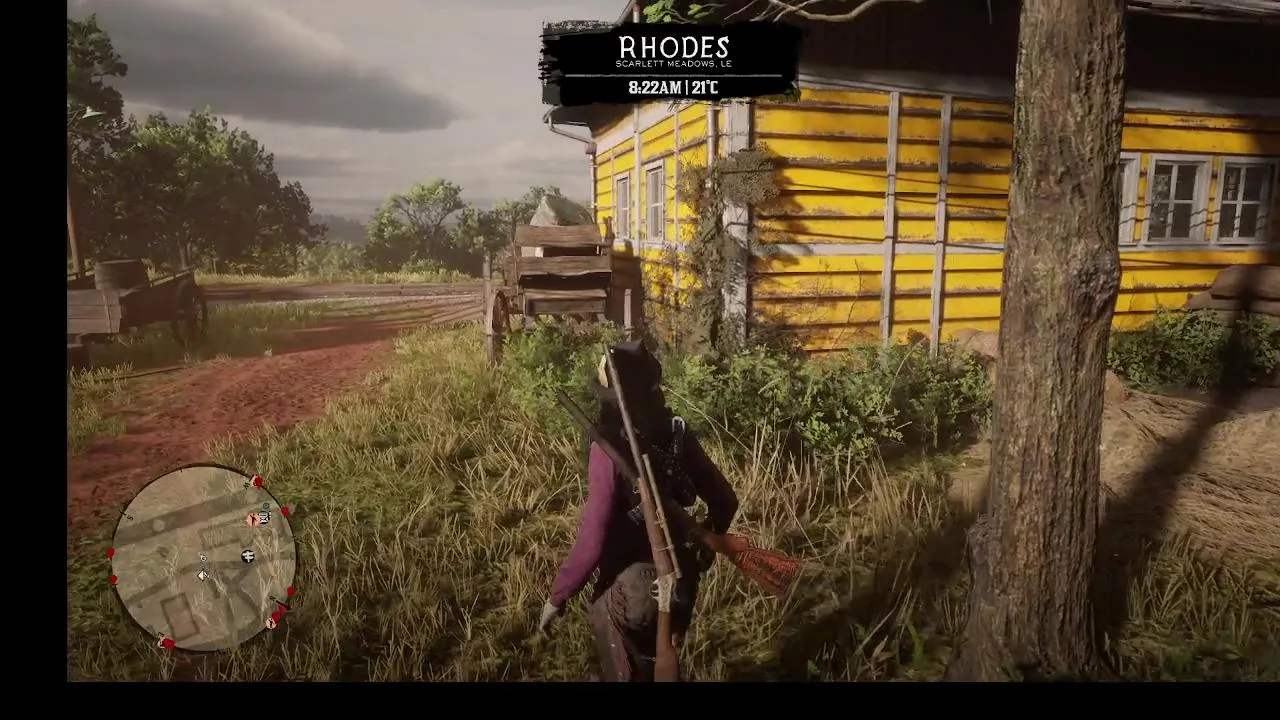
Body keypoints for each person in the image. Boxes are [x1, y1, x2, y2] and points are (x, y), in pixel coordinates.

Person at [538, 340, 739, 682]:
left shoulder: (608, 447)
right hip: (682, 579)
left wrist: (558, 596)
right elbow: (725, 500)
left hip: (635, 587)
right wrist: (703, 545)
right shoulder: (676, 432)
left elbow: (595, 534)